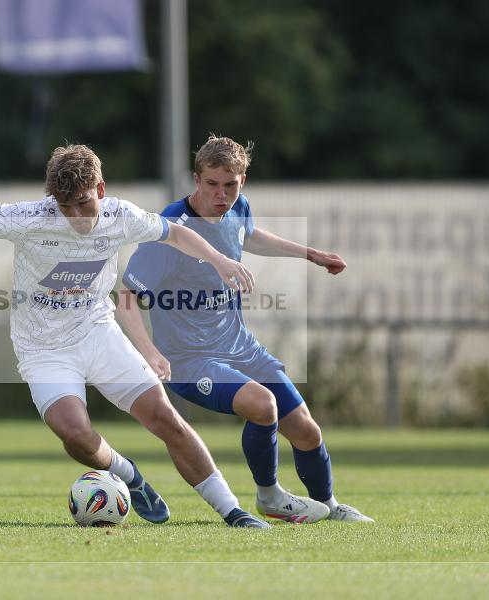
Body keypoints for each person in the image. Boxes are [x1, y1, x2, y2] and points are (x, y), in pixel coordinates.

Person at [0, 144, 270, 527]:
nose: (75, 216)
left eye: (84, 203)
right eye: (66, 206)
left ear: (101, 190)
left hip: (98, 332)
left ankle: (232, 510)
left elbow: (176, 233)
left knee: (165, 418)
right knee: (75, 434)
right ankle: (129, 476)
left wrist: (218, 260)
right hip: (43, 348)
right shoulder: (32, 217)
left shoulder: (121, 216)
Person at [117, 135, 373, 523]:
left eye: (230, 185)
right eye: (212, 184)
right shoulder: (169, 231)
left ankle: (331, 506)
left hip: (241, 348)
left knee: (306, 431)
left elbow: (249, 236)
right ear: (196, 180)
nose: (221, 195)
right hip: (189, 360)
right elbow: (125, 296)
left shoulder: (238, 210)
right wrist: (150, 353)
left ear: (243, 182)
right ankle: (269, 496)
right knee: (262, 405)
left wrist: (310, 254)